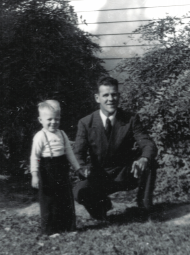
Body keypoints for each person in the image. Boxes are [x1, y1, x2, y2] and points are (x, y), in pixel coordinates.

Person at [73, 77, 157, 220]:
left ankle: (143, 208)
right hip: (99, 175)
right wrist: (82, 168)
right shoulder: (86, 123)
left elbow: (148, 144)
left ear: (119, 96)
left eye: (114, 94)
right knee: (79, 192)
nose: (110, 99)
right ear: (97, 98)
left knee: (150, 163)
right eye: (105, 95)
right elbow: (77, 154)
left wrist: (143, 159)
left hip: (125, 173)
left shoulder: (130, 119)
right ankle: (103, 206)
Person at [30, 100, 85, 236]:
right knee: (49, 201)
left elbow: (70, 153)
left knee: (65, 199)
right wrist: (35, 174)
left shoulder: (62, 134)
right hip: (47, 170)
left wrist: (78, 168)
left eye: (57, 119)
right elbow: (34, 156)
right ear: (40, 120)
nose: (53, 122)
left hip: (61, 168)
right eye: (49, 119)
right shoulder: (39, 136)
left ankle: (68, 227)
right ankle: (50, 230)